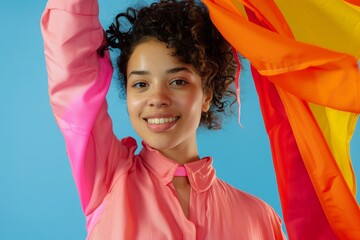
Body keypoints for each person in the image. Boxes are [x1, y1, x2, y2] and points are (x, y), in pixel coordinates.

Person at [41, 0, 286, 239]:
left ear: (207, 94)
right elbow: (72, 70)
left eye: (178, 81)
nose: (157, 98)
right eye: (141, 84)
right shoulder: (108, 178)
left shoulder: (260, 219)